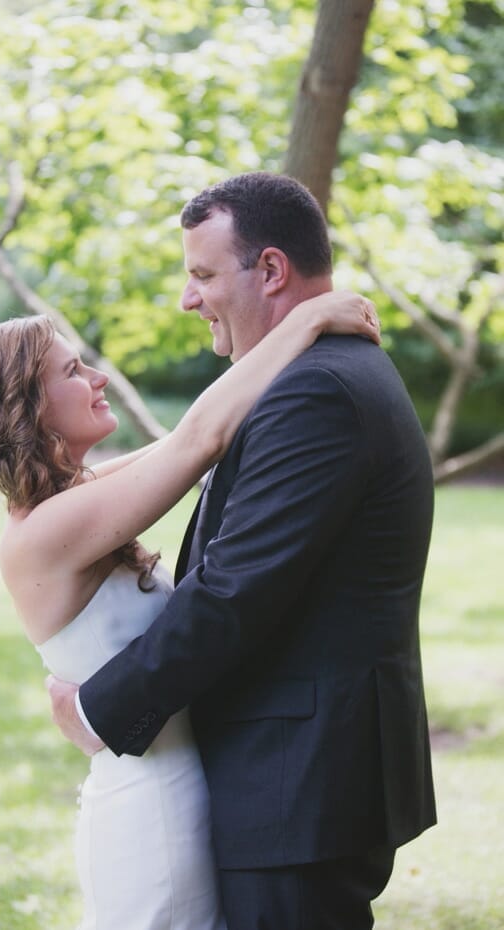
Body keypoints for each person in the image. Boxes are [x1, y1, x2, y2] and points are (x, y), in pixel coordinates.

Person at [44, 172, 436, 928]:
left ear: (271, 270)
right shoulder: (307, 376)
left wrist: (100, 710)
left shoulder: (314, 392)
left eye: (202, 275)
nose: (189, 299)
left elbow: (234, 589)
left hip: (299, 778)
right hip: (298, 774)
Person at [0, 281, 378, 928]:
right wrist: (309, 317)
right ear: (26, 408)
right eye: (71, 370)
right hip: (152, 817)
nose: (97, 377)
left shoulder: (67, 502)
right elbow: (197, 440)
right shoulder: (44, 534)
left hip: (179, 791)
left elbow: (197, 437)